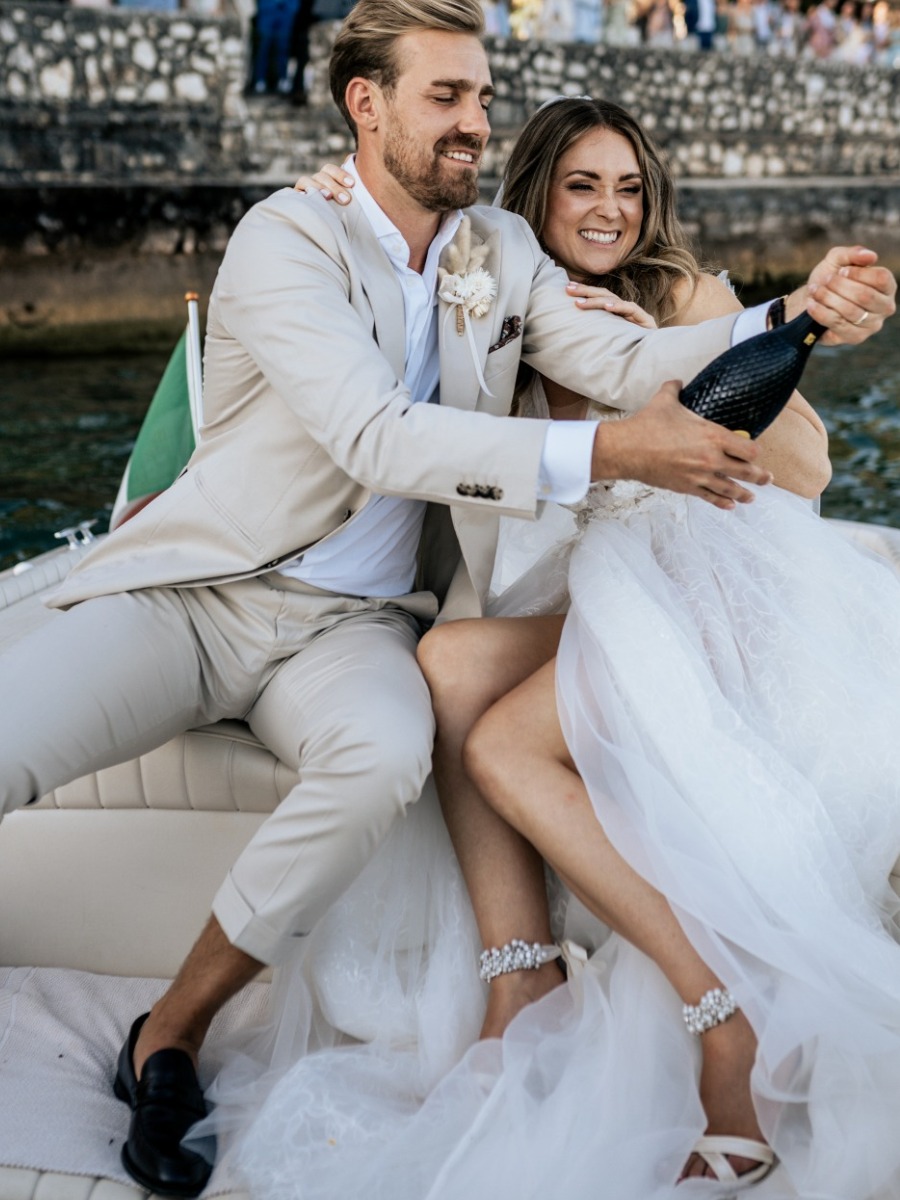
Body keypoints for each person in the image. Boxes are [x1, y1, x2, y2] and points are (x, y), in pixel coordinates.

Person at [11, 0, 883, 1194]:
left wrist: (795, 315)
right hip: (202, 590)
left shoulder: (497, 256)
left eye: (482, 96)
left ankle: (171, 1031)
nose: (476, 120)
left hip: (350, 631)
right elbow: (376, 435)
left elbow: (627, 365)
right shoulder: (289, 236)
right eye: (447, 97)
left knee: (388, 747)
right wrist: (619, 455)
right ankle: (538, 979)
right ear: (365, 107)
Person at [235, 99, 897, 1198]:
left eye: (629, 188)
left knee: (501, 748)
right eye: (583, 185)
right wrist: (333, 198)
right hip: (604, 593)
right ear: (535, 190)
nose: (610, 210)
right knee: (445, 665)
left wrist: (650, 357)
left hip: (705, 589)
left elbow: (808, 468)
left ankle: (720, 1015)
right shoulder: (489, 294)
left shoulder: (681, 294)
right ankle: (520, 976)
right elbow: (393, 411)